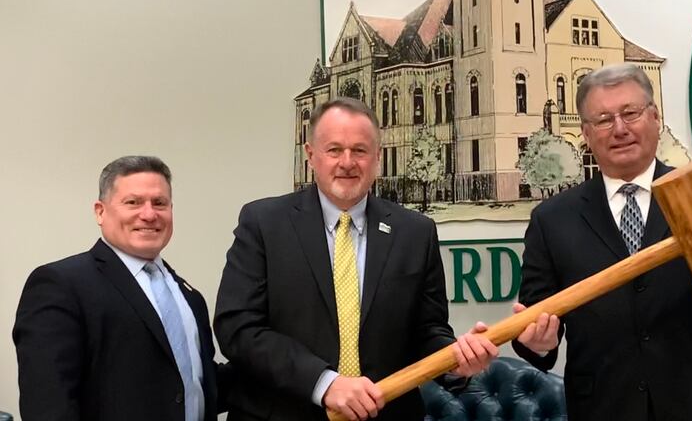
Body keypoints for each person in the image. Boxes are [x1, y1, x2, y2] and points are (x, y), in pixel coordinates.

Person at [512, 63, 692, 420]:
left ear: (655, 118)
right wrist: (537, 345)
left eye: (630, 113)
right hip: (603, 409)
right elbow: (535, 325)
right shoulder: (551, 220)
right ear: (585, 132)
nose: (620, 129)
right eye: (603, 119)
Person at [214, 97, 498, 421]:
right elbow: (237, 328)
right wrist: (325, 383)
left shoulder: (415, 232)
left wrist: (456, 362)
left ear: (377, 158)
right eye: (334, 150)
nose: (347, 162)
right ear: (311, 155)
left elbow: (427, 330)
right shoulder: (263, 223)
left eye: (360, 151)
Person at [14, 156, 231, 421]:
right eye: (133, 202)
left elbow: (193, 386)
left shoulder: (189, 297)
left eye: (160, 203)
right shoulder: (60, 284)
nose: (149, 214)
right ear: (100, 211)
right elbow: (48, 404)